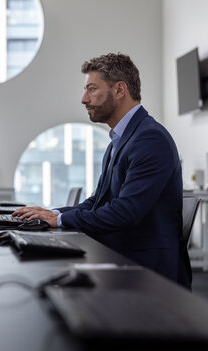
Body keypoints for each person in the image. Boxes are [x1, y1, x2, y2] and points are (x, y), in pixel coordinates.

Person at [13, 53, 191, 288]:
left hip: (146, 272)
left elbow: (126, 212)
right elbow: (98, 201)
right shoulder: (120, 139)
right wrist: (52, 214)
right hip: (123, 257)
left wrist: (60, 219)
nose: (84, 99)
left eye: (92, 89)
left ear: (119, 90)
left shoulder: (149, 138)